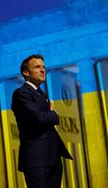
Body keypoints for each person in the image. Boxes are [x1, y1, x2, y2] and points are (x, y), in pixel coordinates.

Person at [11, 54, 72, 188]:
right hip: (37, 160)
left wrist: (49, 115)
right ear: (26, 72)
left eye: (43, 67)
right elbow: (38, 118)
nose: (43, 70)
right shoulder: (21, 93)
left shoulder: (42, 94)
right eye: (37, 67)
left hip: (52, 159)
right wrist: (53, 115)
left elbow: (43, 117)